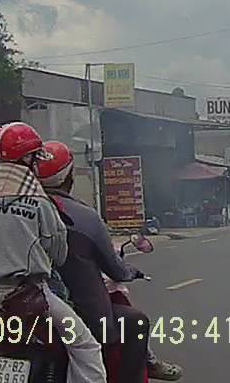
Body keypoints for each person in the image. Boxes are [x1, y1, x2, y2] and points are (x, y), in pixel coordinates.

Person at [0, 122, 106, 383]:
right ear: (27, 158)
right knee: (86, 346)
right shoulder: (37, 200)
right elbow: (57, 251)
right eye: (35, 157)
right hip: (31, 296)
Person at [36, 141, 183, 382]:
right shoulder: (83, 216)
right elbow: (114, 268)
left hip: (10, 305)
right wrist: (128, 271)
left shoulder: (8, 211)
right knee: (135, 322)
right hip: (74, 308)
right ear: (69, 177)